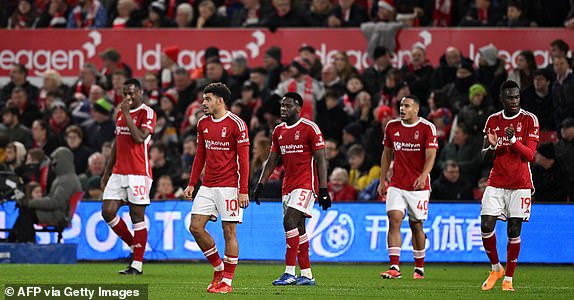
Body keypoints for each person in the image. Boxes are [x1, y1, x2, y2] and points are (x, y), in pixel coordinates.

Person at [253, 92, 331, 286]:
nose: (283, 109)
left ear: (298, 108)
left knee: (289, 221)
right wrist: (261, 183)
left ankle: (289, 272)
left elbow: (321, 158)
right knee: (299, 228)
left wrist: (323, 189)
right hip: (287, 185)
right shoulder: (278, 131)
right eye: (282, 106)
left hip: (306, 184)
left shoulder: (310, 128)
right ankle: (307, 275)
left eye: (287, 106)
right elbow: (272, 160)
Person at [184, 83, 250, 294]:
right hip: (208, 185)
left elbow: (244, 160)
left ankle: (227, 283)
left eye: (208, 99)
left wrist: (243, 189)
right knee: (195, 227)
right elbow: (200, 156)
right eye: (204, 99)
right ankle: (218, 268)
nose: (204, 103)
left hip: (230, 186)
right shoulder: (203, 123)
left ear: (220, 100)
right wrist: (192, 183)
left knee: (229, 232)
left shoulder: (236, 124)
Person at [479, 80, 539, 292]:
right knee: (486, 225)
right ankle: (496, 268)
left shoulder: (529, 119)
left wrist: (513, 141)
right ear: (501, 98)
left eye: (516, 97)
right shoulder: (493, 120)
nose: (514, 101)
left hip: (521, 183)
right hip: (496, 182)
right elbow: (484, 157)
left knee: (514, 231)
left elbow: (530, 155)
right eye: (509, 97)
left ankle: (509, 279)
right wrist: (493, 146)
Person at [377, 95, 438, 280]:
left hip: (418, 186)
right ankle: (394, 266)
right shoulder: (392, 127)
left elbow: (431, 155)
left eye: (407, 105)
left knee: (416, 225)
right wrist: (382, 180)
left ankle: (419, 267)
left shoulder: (427, 127)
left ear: (416, 109)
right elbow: (387, 154)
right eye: (401, 105)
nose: (402, 109)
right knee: (394, 218)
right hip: (397, 184)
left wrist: (423, 175)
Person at [101, 78, 157, 275]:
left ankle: (137, 265)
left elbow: (139, 138)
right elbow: (118, 142)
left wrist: (126, 115)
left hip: (138, 173)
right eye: (125, 92)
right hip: (118, 171)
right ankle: (135, 246)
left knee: (137, 216)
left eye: (131, 92)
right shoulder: (120, 113)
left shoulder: (147, 113)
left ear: (140, 92)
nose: (128, 97)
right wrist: (107, 170)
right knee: (107, 211)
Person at [8, 147, 81, 243]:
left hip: (58, 215)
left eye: (54, 162)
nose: (52, 165)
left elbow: (55, 202)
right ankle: (14, 239)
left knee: (27, 212)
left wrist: (30, 202)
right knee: (26, 210)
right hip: (58, 212)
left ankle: (26, 241)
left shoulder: (66, 181)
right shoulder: (65, 178)